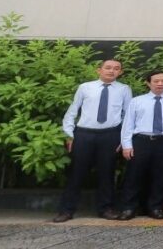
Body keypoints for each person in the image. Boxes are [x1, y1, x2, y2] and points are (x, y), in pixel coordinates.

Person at [54, 59, 131, 222]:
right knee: (76, 173)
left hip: (110, 135)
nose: (111, 71)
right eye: (108, 67)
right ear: (99, 70)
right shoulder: (85, 87)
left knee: (107, 173)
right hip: (84, 134)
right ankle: (66, 210)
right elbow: (73, 110)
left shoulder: (124, 89)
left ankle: (106, 209)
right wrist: (70, 134)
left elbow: (128, 115)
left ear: (120, 72)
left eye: (116, 68)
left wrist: (123, 138)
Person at [117, 70, 163, 220]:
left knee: (160, 175)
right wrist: (127, 145)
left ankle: (155, 207)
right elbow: (128, 124)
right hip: (141, 140)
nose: (160, 84)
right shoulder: (137, 101)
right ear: (148, 83)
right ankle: (129, 208)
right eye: (156, 81)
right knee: (134, 175)